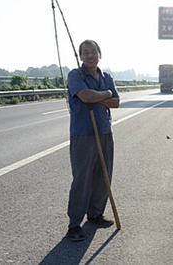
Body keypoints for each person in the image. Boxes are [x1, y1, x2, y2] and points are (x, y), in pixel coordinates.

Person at [66, 39, 120, 242]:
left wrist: (97, 96)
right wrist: (104, 94)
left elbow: (116, 102)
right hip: (83, 133)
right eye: (85, 52)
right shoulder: (75, 75)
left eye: (93, 51)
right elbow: (86, 97)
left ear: (100, 54)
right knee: (82, 179)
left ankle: (95, 213)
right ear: (81, 56)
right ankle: (74, 225)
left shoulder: (107, 76)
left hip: (105, 130)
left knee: (103, 175)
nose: (90, 55)